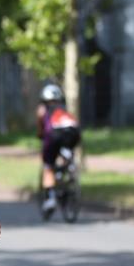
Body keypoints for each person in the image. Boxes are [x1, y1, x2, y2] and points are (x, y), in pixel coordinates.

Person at [36, 82, 81, 218]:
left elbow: (41, 129)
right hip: (73, 132)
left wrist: (40, 134)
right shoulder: (65, 110)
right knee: (65, 153)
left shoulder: (42, 109)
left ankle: (50, 198)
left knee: (48, 166)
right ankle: (68, 169)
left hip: (54, 134)